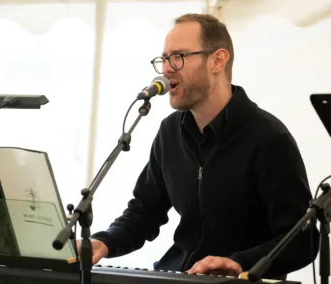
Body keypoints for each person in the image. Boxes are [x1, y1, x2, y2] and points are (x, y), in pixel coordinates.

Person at [81, 13, 319, 279]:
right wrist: (106, 241)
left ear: (217, 60)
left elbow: (302, 239)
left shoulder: (269, 139)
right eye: (164, 58)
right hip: (179, 274)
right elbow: (145, 211)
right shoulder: (169, 132)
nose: (167, 68)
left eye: (178, 57)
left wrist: (240, 263)